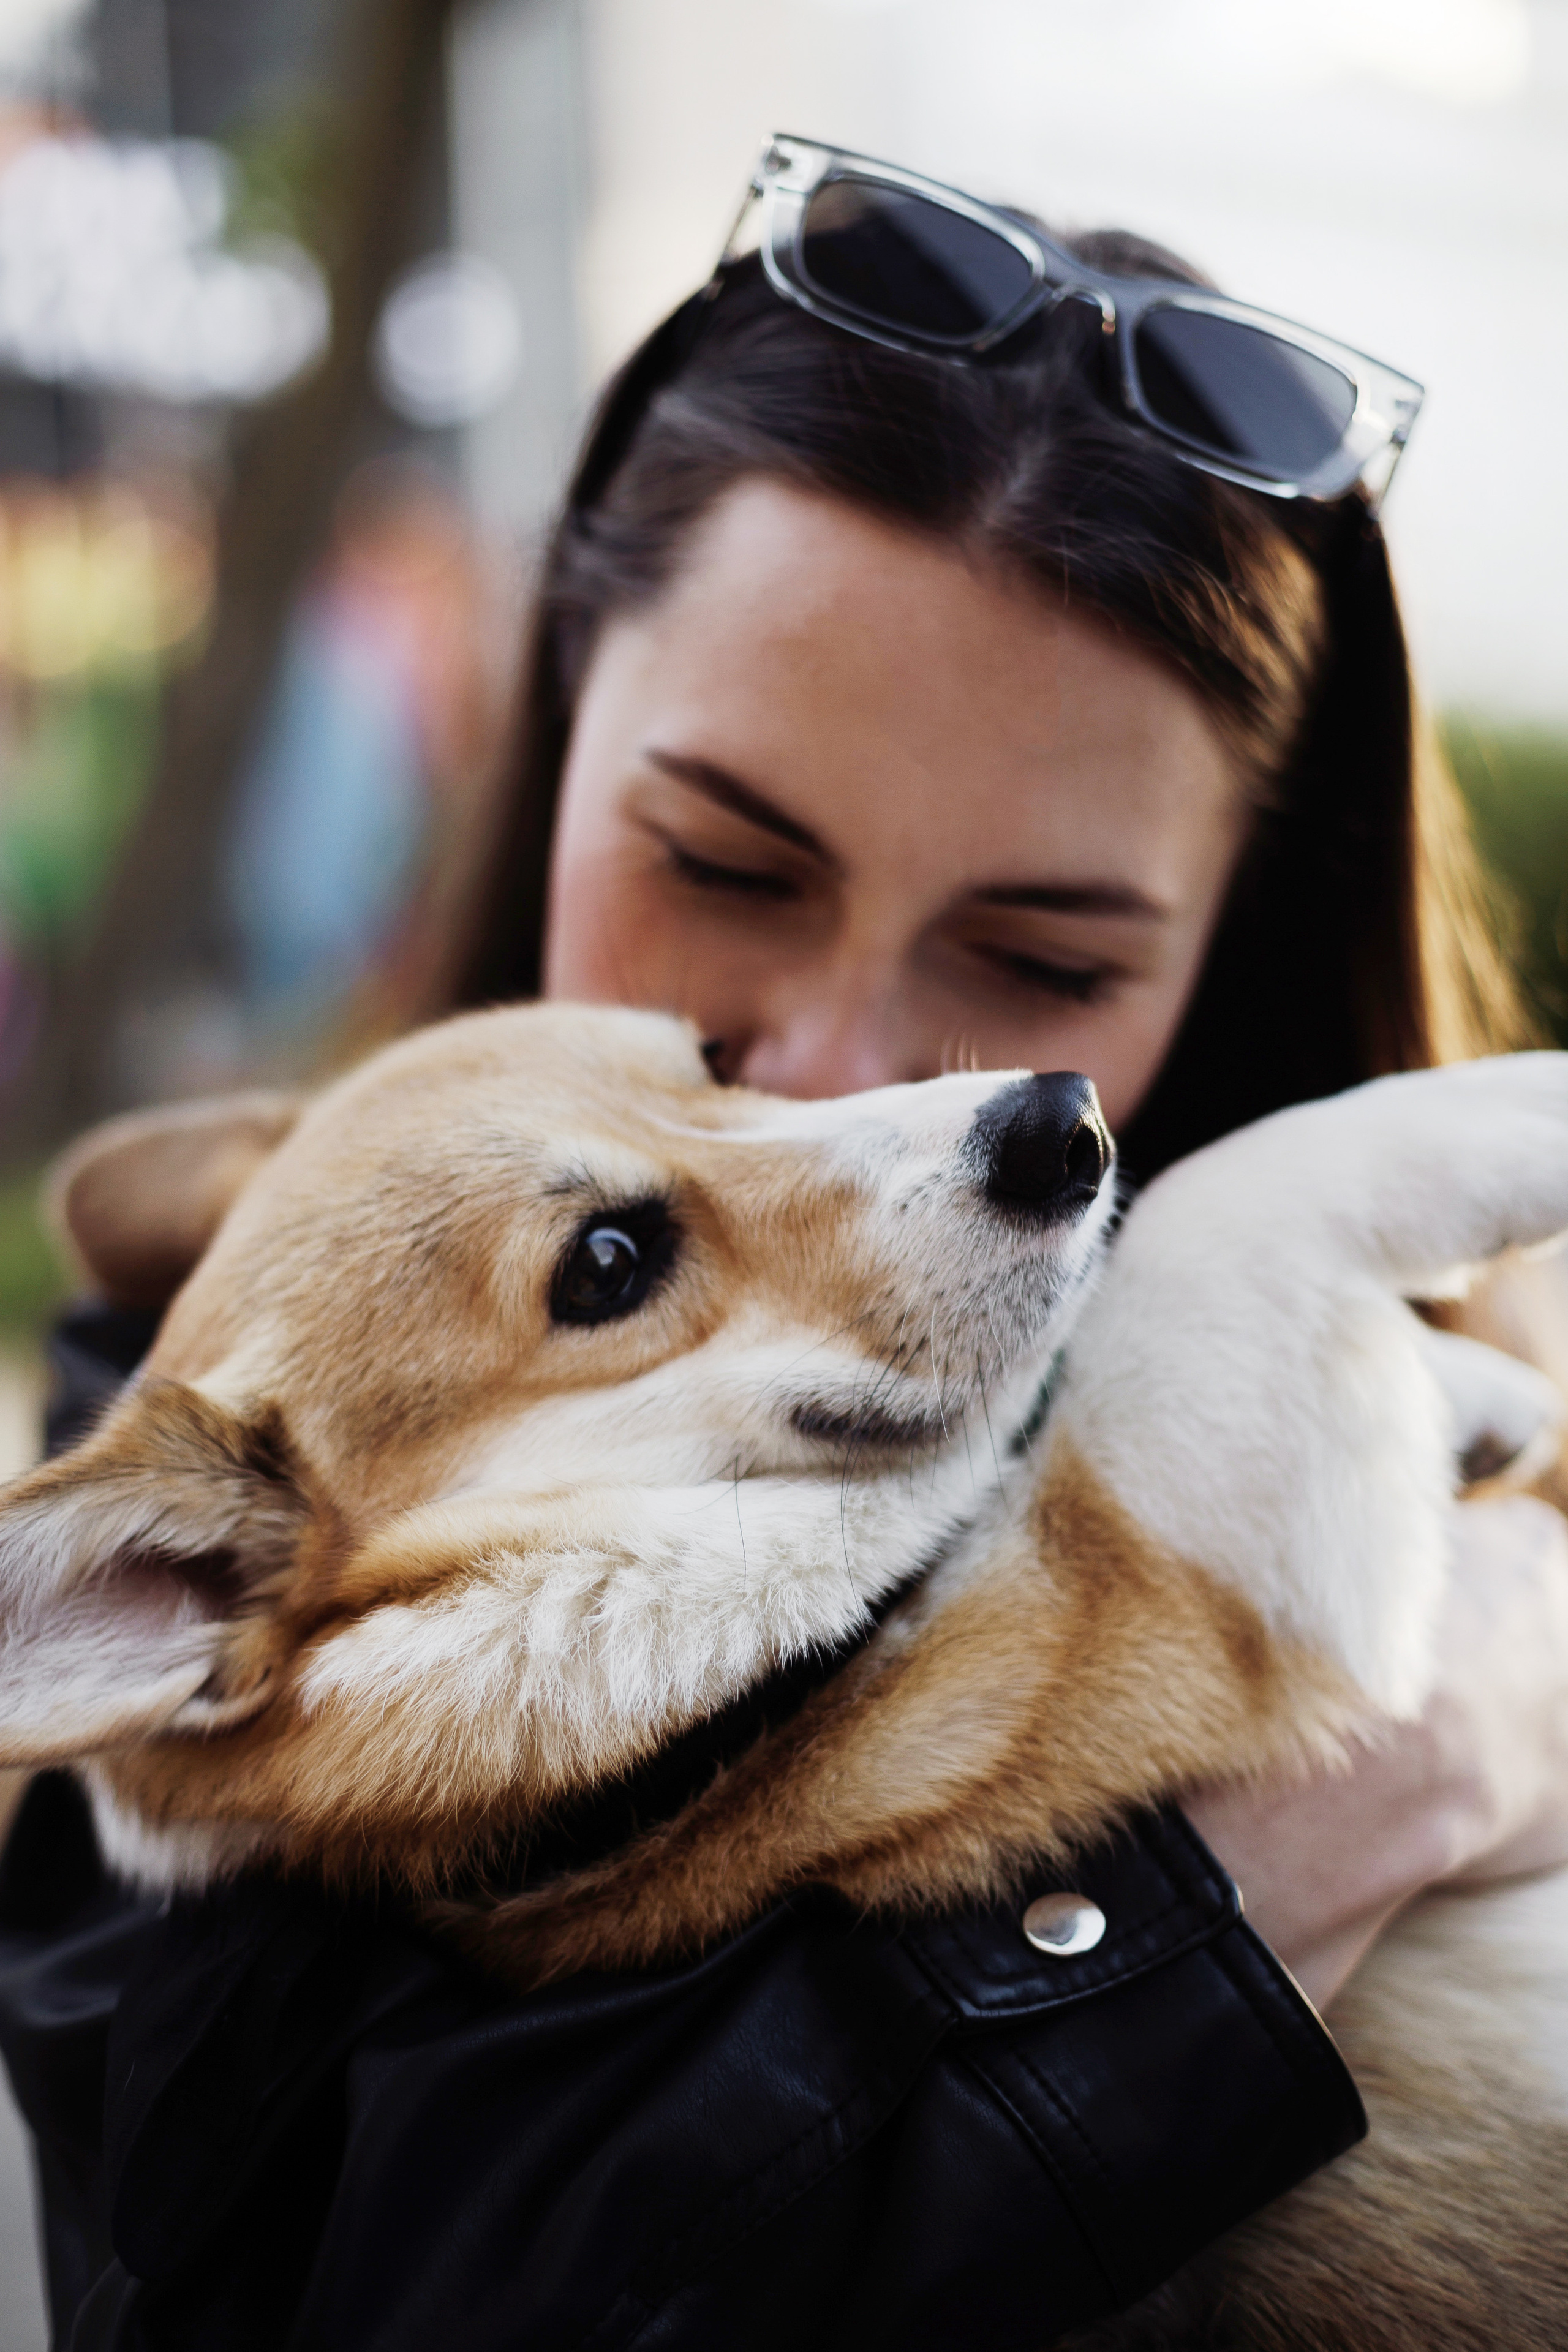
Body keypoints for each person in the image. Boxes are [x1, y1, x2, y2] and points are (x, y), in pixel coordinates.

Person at [5, 136, 1568, 2350]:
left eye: (1042, 955)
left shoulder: (1502, 1325)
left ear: (1236, 950)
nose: (855, 1078)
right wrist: (1271, 1854)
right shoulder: (251, 1472)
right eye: (729, 867)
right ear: (564, 724)